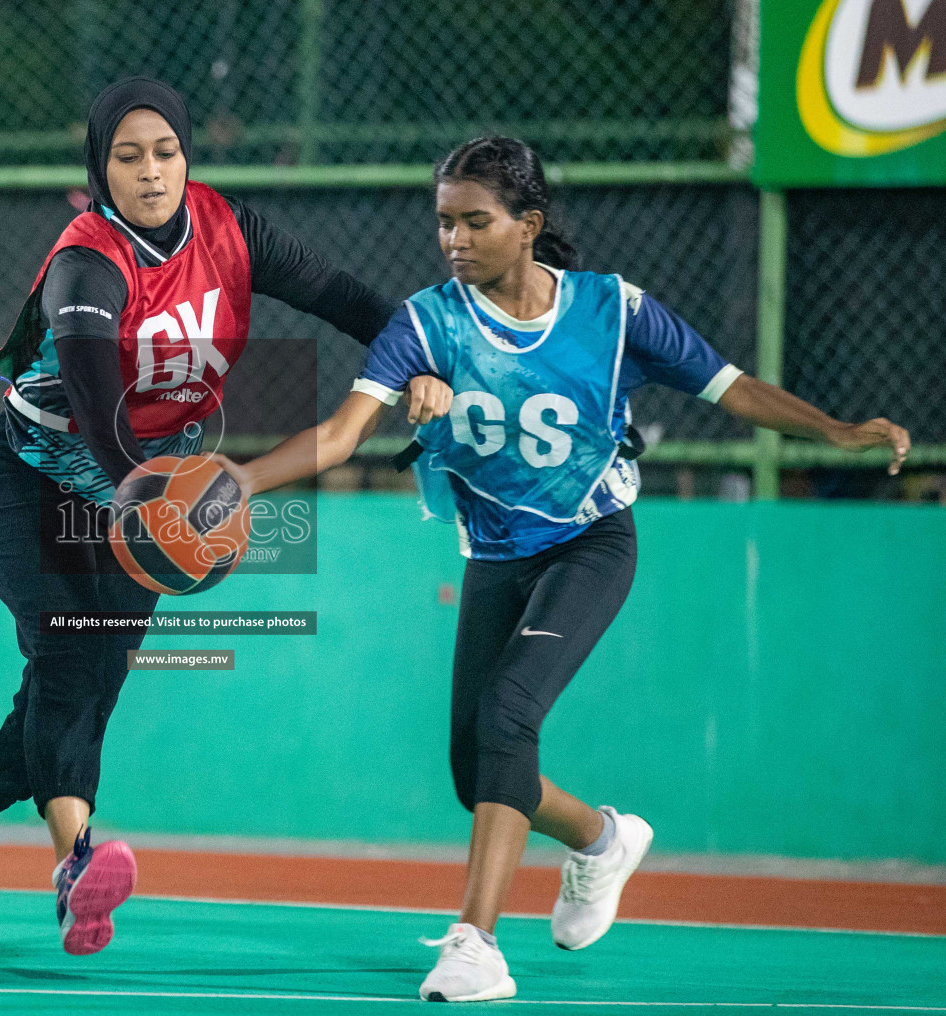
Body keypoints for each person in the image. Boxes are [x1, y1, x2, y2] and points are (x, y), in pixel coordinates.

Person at [220, 136, 910, 1002]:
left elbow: (732, 389)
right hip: (495, 557)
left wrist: (840, 432)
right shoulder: (427, 323)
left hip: (591, 543)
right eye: (444, 223)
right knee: (475, 770)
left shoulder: (614, 313)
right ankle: (601, 841)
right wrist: (242, 478)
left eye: (476, 221)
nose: (455, 240)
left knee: (509, 715)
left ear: (529, 224)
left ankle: (476, 944)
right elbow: (340, 434)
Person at [0, 77, 405, 955]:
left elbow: (347, 298)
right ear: (100, 170)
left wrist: (430, 357)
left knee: (83, 688)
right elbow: (100, 415)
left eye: (164, 151)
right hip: (36, 483)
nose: (150, 171)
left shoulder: (231, 231)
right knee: (69, 655)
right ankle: (74, 869)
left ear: (187, 156)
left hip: (148, 492)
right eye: (127, 157)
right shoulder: (85, 263)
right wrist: (160, 510)